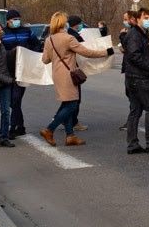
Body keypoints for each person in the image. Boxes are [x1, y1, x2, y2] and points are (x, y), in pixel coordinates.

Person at [40, 11, 113, 147]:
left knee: (67, 103)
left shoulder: (49, 39)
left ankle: (70, 136)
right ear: (62, 23)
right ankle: (49, 129)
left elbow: (45, 60)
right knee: (72, 104)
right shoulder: (68, 38)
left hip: (57, 74)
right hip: (68, 75)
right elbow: (86, 52)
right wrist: (105, 52)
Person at [120, 7, 149, 154]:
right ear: (138, 19)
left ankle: (133, 144)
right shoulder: (135, 35)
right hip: (138, 78)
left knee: (136, 110)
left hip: (133, 77)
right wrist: (147, 66)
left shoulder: (142, 34)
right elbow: (134, 55)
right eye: (146, 18)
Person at [0, 8, 41, 137]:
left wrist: (30, 53)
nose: (17, 21)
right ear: (8, 21)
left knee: (16, 99)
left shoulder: (27, 31)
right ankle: (20, 126)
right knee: (13, 101)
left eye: (18, 19)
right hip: (9, 70)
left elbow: (37, 44)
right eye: (14, 19)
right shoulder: (3, 33)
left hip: (23, 69)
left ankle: (13, 127)